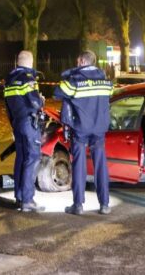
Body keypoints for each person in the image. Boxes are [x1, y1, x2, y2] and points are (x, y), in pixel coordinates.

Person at [54, 50, 113, 216]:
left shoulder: (74, 81)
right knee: (101, 166)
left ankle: (78, 205)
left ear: (80, 61)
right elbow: (109, 96)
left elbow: (58, 92)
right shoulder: (105, 80)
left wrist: (71, 73)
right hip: (100, 129)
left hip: (80, 129)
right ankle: (104, 204)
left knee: (79, 165)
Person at [4, 50, 45, 212]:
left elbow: (7, 106)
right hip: (29, 122)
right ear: (31, 62)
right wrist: (40, 100)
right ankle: (28, 199)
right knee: (33, 158)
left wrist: (13, 124)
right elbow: (35, 103)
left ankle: (19, 197)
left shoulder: (9, 80)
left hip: (17, 122)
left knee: (21, 158)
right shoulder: (28, 79)